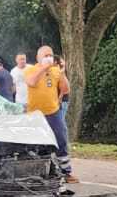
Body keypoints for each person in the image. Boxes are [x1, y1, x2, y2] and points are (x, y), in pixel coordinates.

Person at [24, 44, 77, 182]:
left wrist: (62, 72)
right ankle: (40, 172)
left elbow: (65, 90)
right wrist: (43, 68)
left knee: (61, 139)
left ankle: (66, 171)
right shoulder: (31, 70)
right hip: (35, 114)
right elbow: (31, 82)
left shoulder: (55, 71)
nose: (48, 58)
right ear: (38, 58)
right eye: (45, 55)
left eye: (50, 55)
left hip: (53, 111)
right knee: (37, 143)